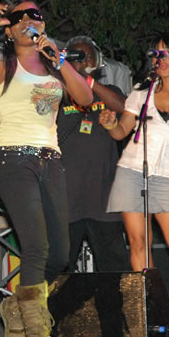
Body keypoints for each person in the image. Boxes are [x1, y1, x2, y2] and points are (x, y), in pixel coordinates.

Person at [0, 0, 93, 337]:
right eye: (22, 16)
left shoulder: (53, 66)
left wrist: (60, 59)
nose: (32, 20)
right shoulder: (2, 65)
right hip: (14, 160)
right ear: (11, 29)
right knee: (36, 248)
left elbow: (86, 98)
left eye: (38, 15)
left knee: (60, 253)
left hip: (52, 161)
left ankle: (17, 303)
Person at [99, 33, 169, 277]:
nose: (161, 58)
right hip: (131, 172)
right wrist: (110, 124)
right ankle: (150, 306)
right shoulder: (141, 94)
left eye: (167, 52)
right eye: (156, 54)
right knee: (139, 242)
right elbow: (121, 133)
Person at [57, 36, 128, 272]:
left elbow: (126, 109)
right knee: (60, 269)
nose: (82, 61)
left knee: (113, 269)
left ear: (96, 61)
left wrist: (87, 81)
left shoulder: (108, 92)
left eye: (87, 56)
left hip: (104, 201)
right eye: (76, 56)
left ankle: (114, 310)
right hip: (67, 201)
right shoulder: (57, 94)